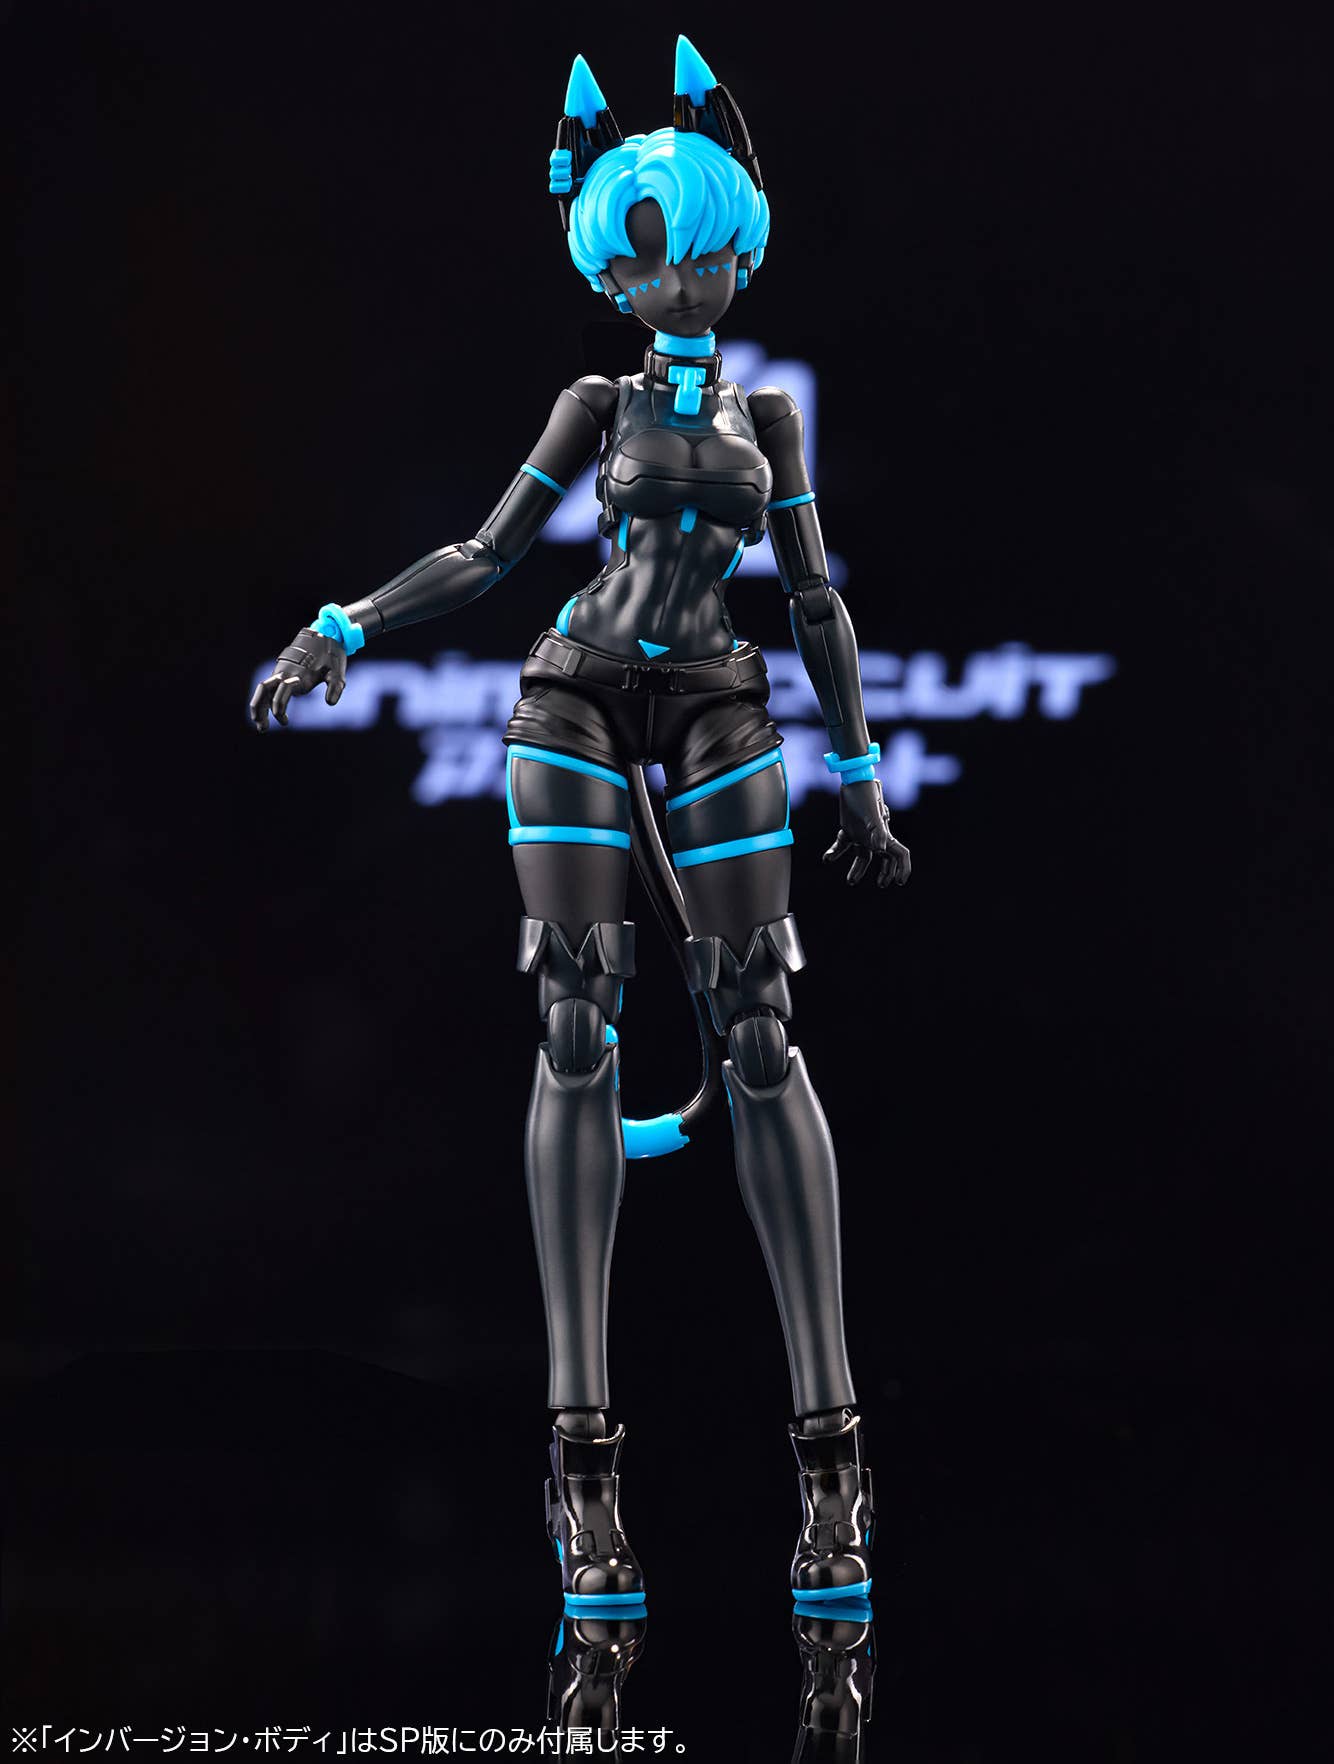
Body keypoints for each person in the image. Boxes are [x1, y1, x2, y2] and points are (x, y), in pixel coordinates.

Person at [250, 37, 908, 1612]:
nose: (681, 281)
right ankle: (582, 1469)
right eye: (650, 257)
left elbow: (814, 599)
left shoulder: (768, 420)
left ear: (740, 244)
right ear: (612, 269)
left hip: (719, 702)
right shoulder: (594, 402)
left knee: (760, 1036)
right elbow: (489, 555)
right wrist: (344, 624)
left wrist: (862, 774)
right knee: (574, 1023)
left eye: (703, 251)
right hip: (577, 697)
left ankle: (832, 1463)